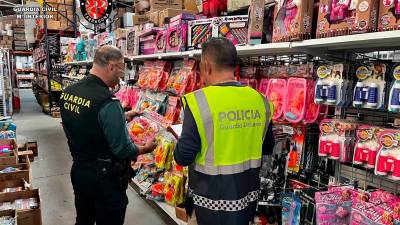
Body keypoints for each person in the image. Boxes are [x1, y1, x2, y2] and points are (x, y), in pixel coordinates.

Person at [174, 38, 275, 225]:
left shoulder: (199, 102)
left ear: (206, 65)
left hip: (209, 205)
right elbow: (267, 147)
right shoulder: (261, 101)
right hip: (246, 201)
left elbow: (183, 156)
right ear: (234, 66)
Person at [60, 45, 157, 225]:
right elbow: (122, 149)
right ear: (111, 66)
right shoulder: (108, 101)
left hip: (80, 171)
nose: (120, 80)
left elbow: (88, 121)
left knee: (84, 219)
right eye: (120, 73)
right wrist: (146, 148)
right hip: (105, 181)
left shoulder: (69, 92)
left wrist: (123, 116)